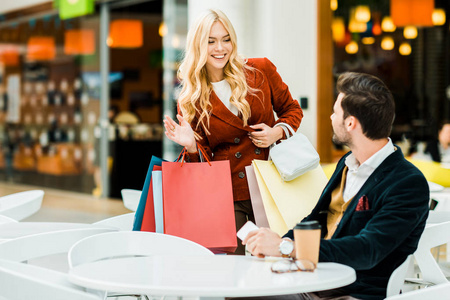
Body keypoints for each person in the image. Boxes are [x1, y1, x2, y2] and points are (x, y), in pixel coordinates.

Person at [242, 72, 430, 300]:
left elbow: (367, 250)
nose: (331, 117)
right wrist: (279, 245)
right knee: (243, 289)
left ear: (350, 123)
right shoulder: (347, 162)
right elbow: (315, 221)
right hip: (311, 279)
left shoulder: (407, 183)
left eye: (336, 112)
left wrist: (285, 248)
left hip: (352, 293)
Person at [163, 9, 303, 255]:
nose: (220, 48)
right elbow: (201, 164)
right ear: (198, 45)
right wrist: (191, 145)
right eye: (211, 41)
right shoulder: (190, 98)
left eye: (226, 39)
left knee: (277, 262)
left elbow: (292, 110)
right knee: (235, 271)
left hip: (272, 186)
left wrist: (276, 132)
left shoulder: (260, 70)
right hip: (227, 195)